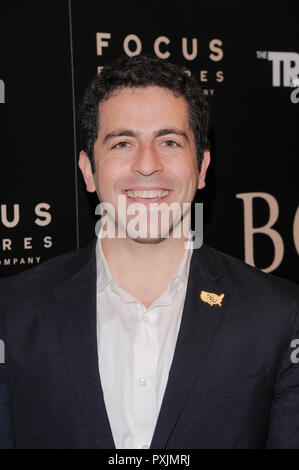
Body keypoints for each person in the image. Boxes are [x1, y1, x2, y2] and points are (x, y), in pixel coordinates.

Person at [0, 55, 299, 449]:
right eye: (123, 143)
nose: (147, 165)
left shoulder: (278, 314)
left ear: (202, 166)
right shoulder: (14, 312)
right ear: (88, 170)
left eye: (169, 142)